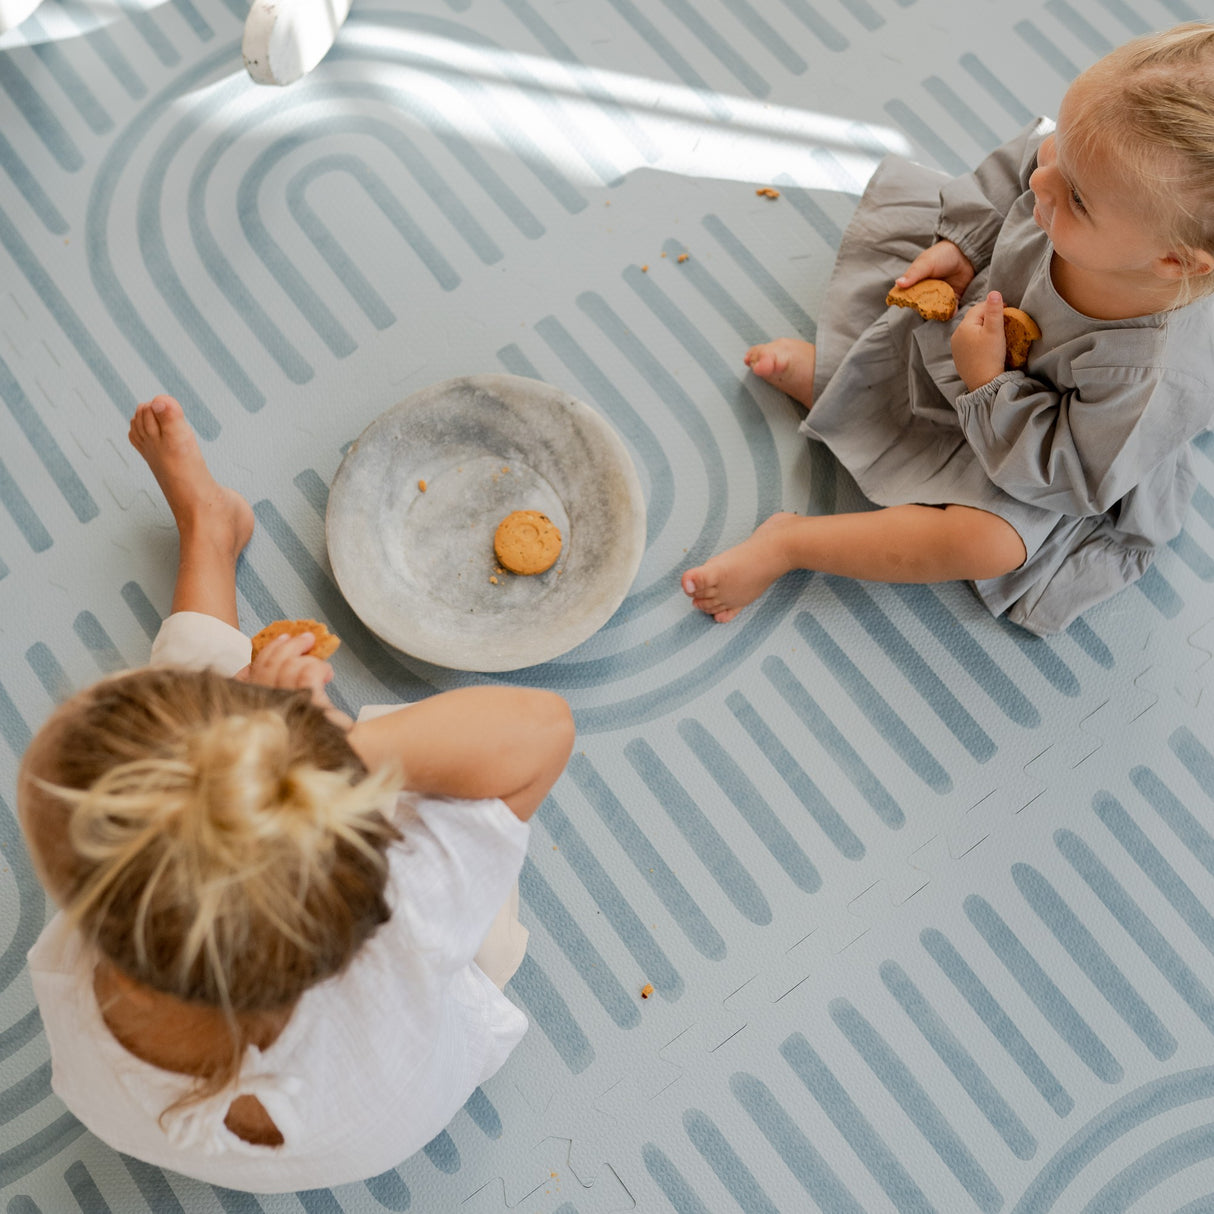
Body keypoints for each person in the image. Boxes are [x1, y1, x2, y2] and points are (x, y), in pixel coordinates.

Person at [18, 395, 575, 1193]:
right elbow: (541, 732)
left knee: (188, 721)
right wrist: (333, 748)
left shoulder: (85, 965)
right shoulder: (401, 924)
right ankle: (238, 644)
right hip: (400, 1084)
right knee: (455, 798)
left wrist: (265, 745)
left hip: (166, 1098)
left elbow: (194, 810)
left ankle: (211, 532)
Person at [683, 22, 1214, 636]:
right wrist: (963, 249)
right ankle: (842, 385)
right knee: (910, 312)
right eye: (1060, 146)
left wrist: (989, 381)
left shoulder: (1151, 373)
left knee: (992, 544)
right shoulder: (1085, 171)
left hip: (1040, 450)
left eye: (1077, 199)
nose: (1041, 181)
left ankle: (793, 544)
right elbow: (1013, 174)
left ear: (1172, 263)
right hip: (971, 338)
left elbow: (1069, 475)